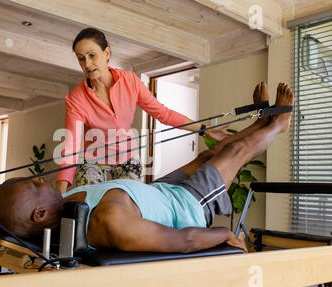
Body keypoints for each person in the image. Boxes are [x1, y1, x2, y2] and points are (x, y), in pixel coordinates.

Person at [0, 82, 293, 253]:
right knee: (237, 151)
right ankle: (278, 124)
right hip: (186, 206)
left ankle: (259, 122)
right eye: (35, 186)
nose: (43, 181)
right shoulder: (108, 223)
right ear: (39, 214)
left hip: (161, 191)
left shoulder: (67, 204)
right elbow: (183, 240)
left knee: (205, 156)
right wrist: (221, 235)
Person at [56, 28, 230, 193]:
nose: (87, 64)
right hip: (93, 160)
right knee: (87, 205)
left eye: (92, 55)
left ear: (106, 53)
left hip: (127, 158)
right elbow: (71, 147)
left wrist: (204, 129)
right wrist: (60, 195)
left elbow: (164, 113)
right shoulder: (76, 98)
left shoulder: (130, 81)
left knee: (130, 206)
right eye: (81, 58)